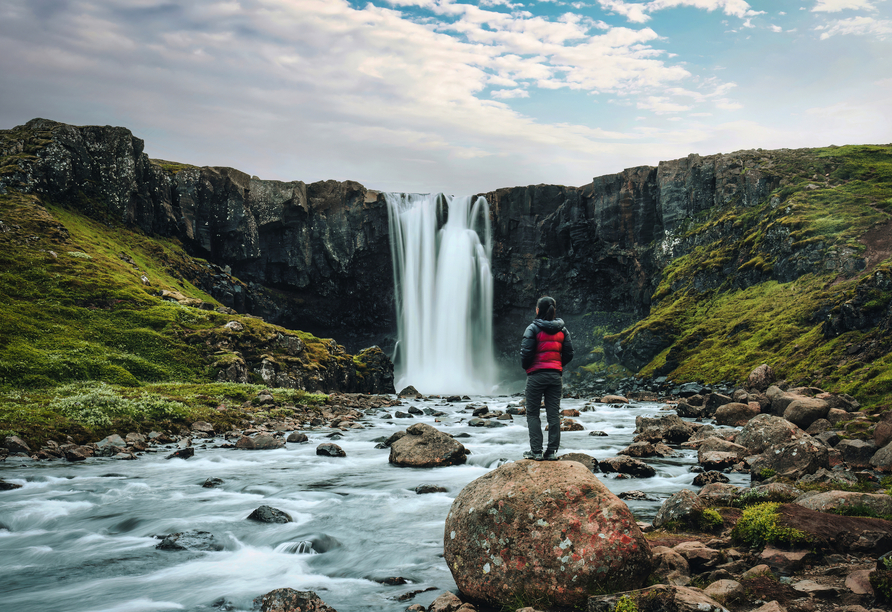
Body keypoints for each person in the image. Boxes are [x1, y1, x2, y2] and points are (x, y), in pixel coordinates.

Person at [520, 296, 574, 461]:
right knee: (553, 414)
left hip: (536, 376)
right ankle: (551, 452)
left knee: (533, 414)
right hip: (555, 377)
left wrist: (529, 367)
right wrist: (556, 364)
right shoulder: (562, 330)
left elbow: (526, 354)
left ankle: (536, 451)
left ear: (538, 310)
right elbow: (569, 354)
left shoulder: (533, 329)